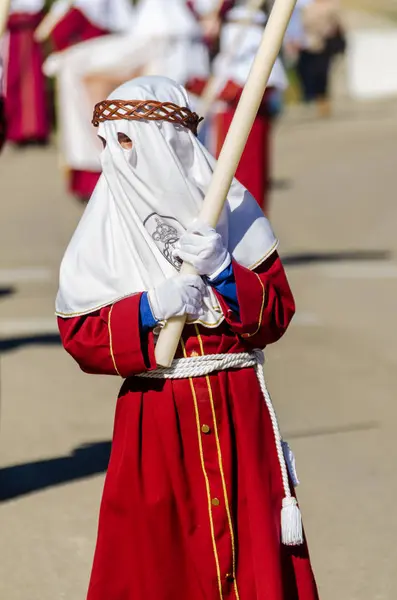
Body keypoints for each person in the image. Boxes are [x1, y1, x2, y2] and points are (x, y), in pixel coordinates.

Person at [57, 75, 319, 600]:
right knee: (157, 563)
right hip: (156, 416)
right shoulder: (104, 225)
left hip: (236, 409)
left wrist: (226, 268)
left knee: (252, 553)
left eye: (129, 141)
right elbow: (80, 333)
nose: (116, 156)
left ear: (167, 140)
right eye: (109, 142)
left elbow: (276, 312)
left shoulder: (235, 214)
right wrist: (150, 308)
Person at [188, 4, 288, 215]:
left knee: (247, 186)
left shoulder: (256, 56)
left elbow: (248, 91)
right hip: (221, 125)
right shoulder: (225, 58)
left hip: (248, 129)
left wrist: (209, 88)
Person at [42, 0, 136, 201]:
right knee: (96, 131)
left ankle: (94, 182)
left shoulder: (79, 12)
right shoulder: (113, 13)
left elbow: (56, 35)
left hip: (85, 81)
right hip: (92, 82)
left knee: (88, 132)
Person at [4, 0, 50, 146]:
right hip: (14, 34)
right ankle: (18, 130)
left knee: (34, 82)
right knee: (15, 81)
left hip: (30, 32)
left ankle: (34, 129)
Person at [293, 0, 345, 117]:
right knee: (306, 72)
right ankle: (312, 98)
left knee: (322, 74)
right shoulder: (306, 7)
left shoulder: (332, 6)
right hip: (308, 44)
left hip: (325, 44)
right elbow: (301, 25)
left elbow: (337, 24)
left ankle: (323, 102)